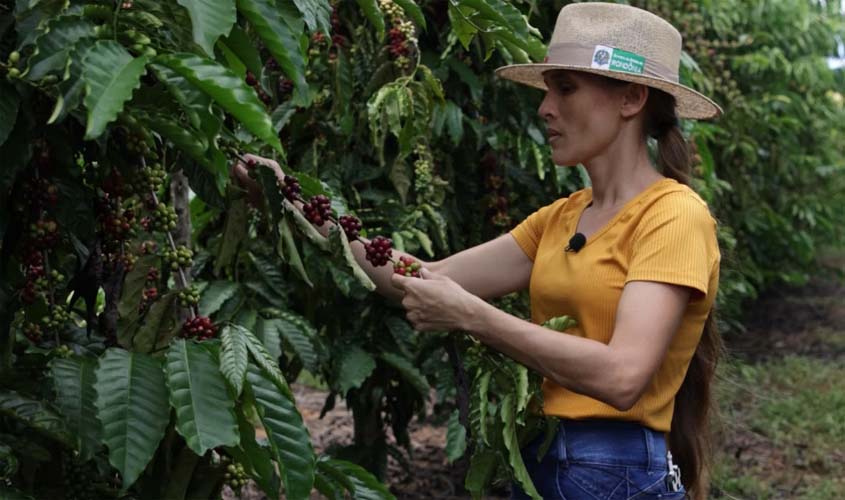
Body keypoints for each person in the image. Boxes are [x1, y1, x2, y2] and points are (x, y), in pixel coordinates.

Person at [233, 3, 722, 499]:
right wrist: (296, 206)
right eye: (548, 89)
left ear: (632, 98)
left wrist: (474, 317)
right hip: (543, 462)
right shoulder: (560, 219)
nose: (545, 108)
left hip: (612, 473)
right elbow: (418, 277)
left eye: (566, 89)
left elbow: (623, 376)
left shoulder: (674, 216)